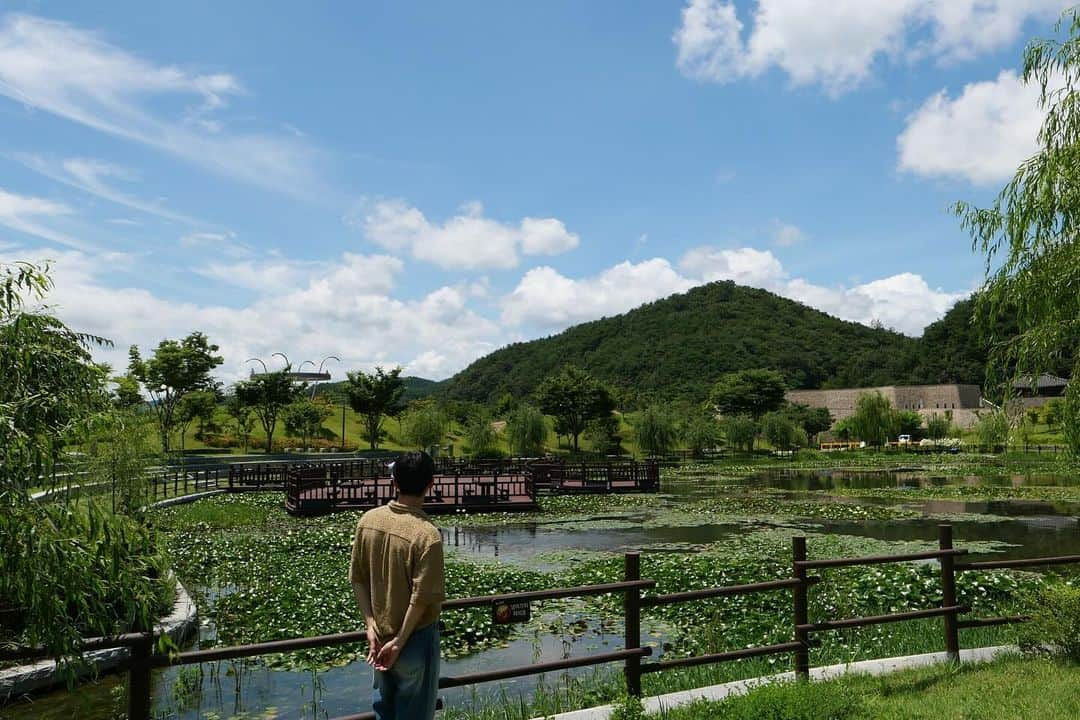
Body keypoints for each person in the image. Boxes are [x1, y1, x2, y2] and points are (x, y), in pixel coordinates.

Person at [349, 451, 444, 720]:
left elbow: (358, 578)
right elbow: (421, 598)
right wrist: (399, 643)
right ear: (430, 485)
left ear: (395, 482)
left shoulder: (368, 521)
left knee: (384, 711)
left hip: (379, 637)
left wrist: (370, 625)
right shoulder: (427, 534)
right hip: (414, 640)